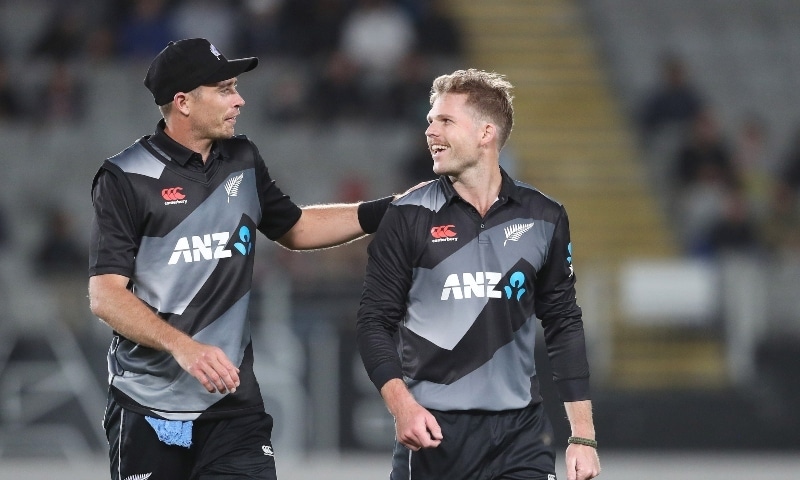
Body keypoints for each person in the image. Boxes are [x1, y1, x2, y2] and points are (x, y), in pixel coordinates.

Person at [87, 38, 395, 480]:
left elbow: (294, 227)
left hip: (233, 409)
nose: (240, 99)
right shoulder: (125, 177)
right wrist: (183, 346)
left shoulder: (242, 158)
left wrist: (389, 211)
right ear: (183, 103)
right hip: (150, 409)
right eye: (226, 89)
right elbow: (106, 297)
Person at [357, 69, 601, 480]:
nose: (430, 129)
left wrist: (583, 436)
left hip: (520, 436)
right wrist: (403, 408)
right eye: (430, 119)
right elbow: (372, 322)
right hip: (434, 435)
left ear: (486, 133)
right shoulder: (407, 216)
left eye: (445, 120)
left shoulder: (544, 217)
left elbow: (563, 323)